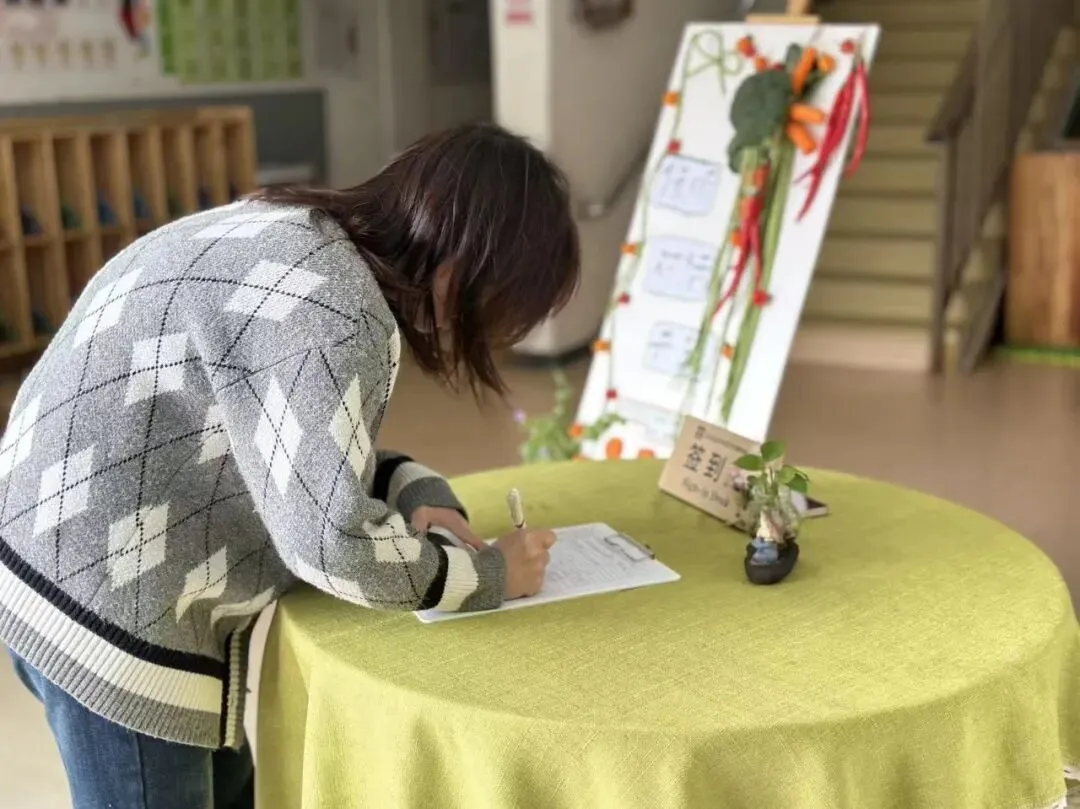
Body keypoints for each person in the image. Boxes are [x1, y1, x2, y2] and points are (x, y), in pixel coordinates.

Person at [0, 122, 579, 809]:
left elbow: (289, 451)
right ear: (463, 268)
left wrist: (414, 489)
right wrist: (490, 576)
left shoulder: (288, 229)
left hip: (43, 544)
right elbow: (329, 543)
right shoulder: (338, 313)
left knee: (229, 786)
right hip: (109, 609)